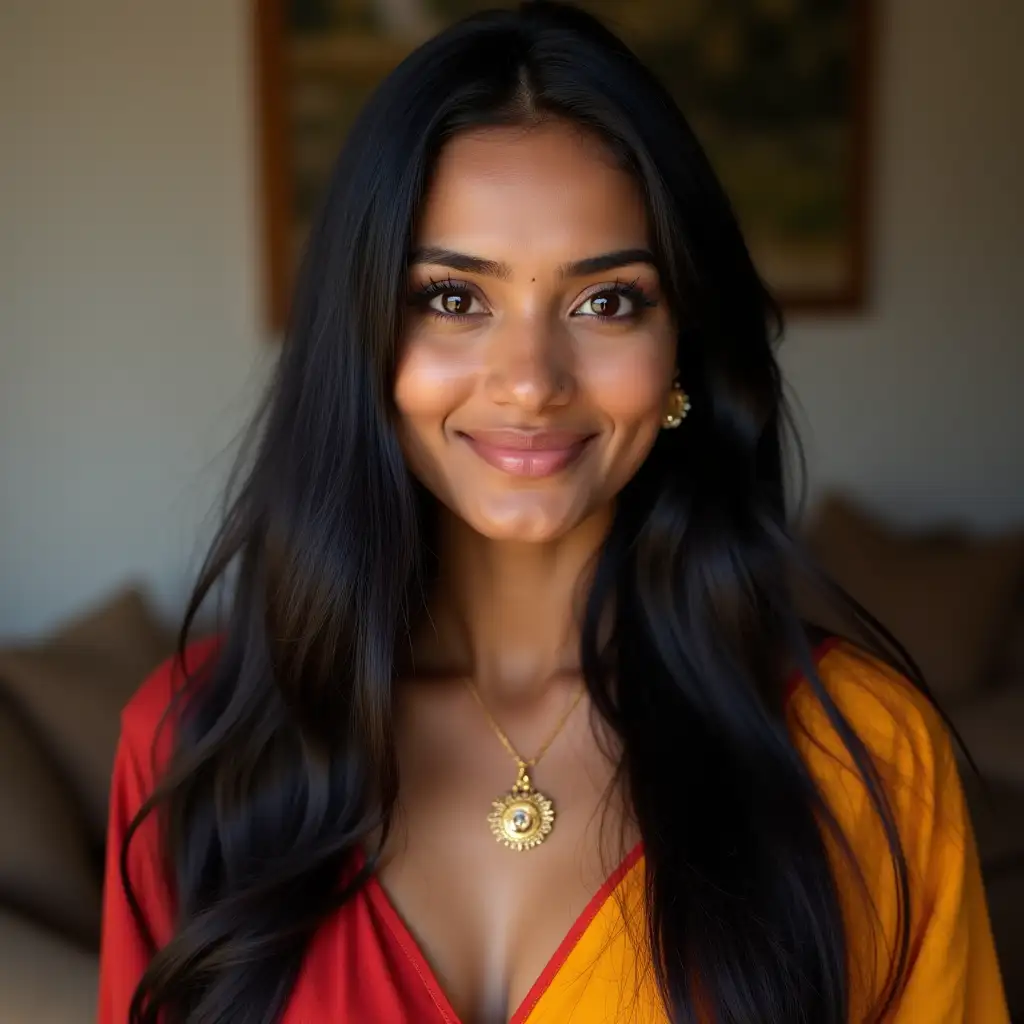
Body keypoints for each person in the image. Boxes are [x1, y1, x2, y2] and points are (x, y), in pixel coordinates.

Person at [97, 3, 1009, 1022]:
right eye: (452, 297)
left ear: (682, 351)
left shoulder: (867, 758)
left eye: (607, 301)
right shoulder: (195, 740)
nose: (530, 381)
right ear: (362, 341)